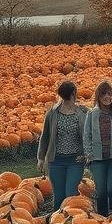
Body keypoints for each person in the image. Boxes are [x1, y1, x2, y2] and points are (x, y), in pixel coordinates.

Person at [37, 80, 88, 211]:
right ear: (73, 94)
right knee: (59, 196)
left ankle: (70, 221)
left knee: (70, 194)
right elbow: (45, 136)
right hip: (56, 160)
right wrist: (41, 158)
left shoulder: (82, 112)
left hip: (75, 160)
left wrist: (86, 154)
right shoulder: (53, 113)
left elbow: (89, 134)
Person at [83, 79, 112, 218]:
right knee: (101, 191)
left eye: (110, 94)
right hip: (97, 158)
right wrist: (89, 154)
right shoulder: (92, 114)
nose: (107, 97)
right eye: (103, 95)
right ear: (98, 97)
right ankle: (102, 217)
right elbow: (87, 135)